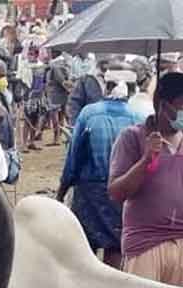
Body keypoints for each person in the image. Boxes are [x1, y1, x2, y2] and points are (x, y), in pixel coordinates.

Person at [109, 73, 183, 287]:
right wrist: (146, 159)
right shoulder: (132, 138)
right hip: (145, 244)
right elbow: (116, 192)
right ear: (163, 105)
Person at [58, 70, 142, 269]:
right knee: (115, 245)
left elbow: (74, 156)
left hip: (89, 191)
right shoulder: (139, 117)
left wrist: (62, 189)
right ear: (131, 91)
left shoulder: (89, 113)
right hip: (123, 192)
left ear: (106, 87)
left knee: (85, 245)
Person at [67, 58, 109, 124]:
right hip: (90, 123)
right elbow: (74, 103)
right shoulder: (86, 80)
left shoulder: (118, 80)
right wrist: (76, 123)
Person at [45, 51, 71, 146]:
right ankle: (61, 136)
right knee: (62, 115)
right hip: (63, 92)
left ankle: (57, 138)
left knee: (55, 115)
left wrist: (67, 87)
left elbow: (61, 80)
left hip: (55, 92)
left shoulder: (55, 64)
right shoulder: (64, 62)